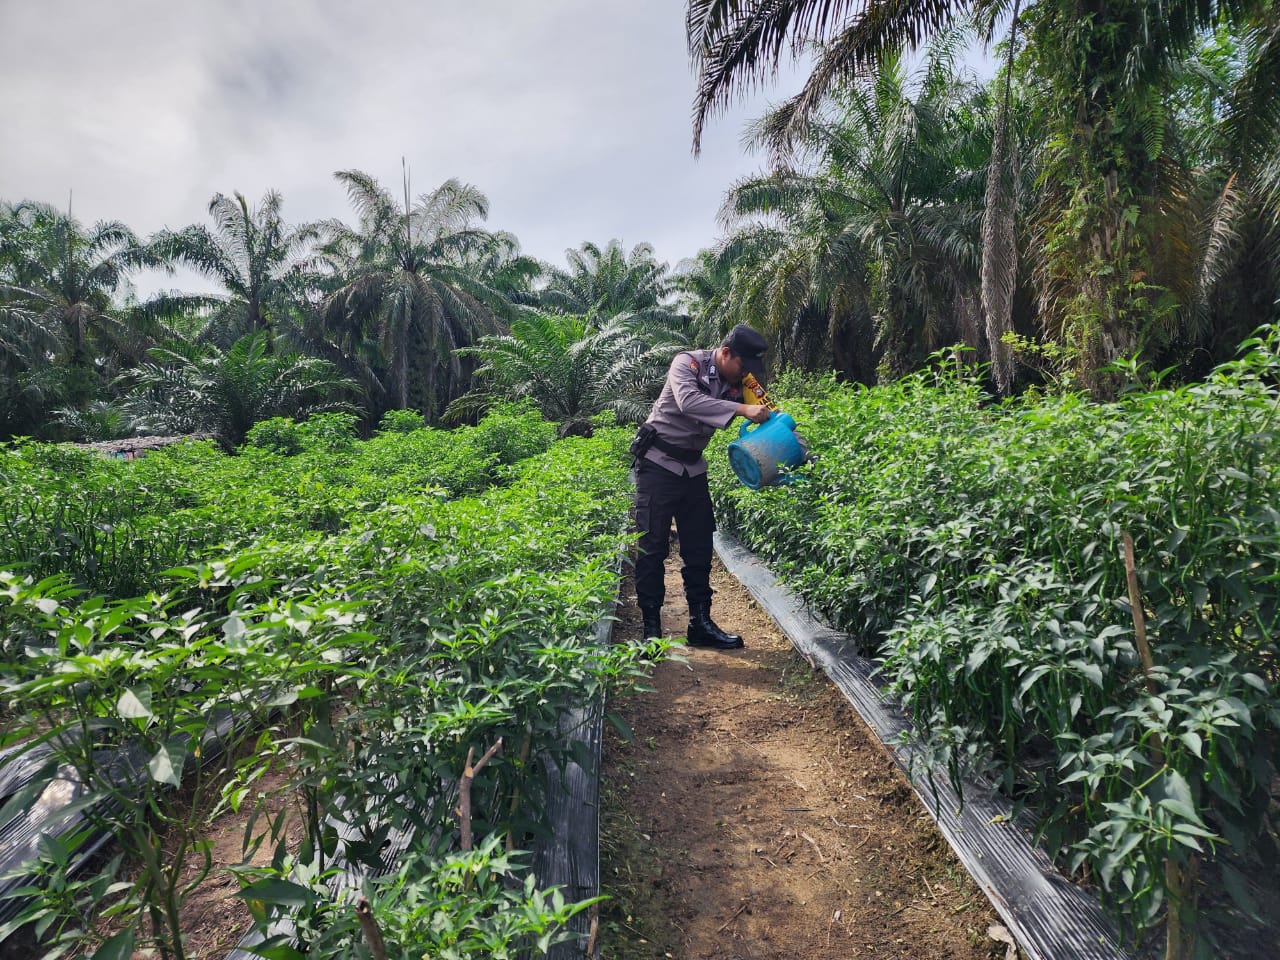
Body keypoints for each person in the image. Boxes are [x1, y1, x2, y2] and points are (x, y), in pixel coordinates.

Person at [631, 324, 772, 650]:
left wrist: (794, 444)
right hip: (658, 465)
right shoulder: (687, 364)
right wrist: (741, 408)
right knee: (652, 548)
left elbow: (771, 414)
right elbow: (689, 402)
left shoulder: (742, 381)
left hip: (693, 468)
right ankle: (650, 630)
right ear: (725, 354)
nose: (746, 375)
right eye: (743, 366)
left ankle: (700, 625)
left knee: (698, 548)